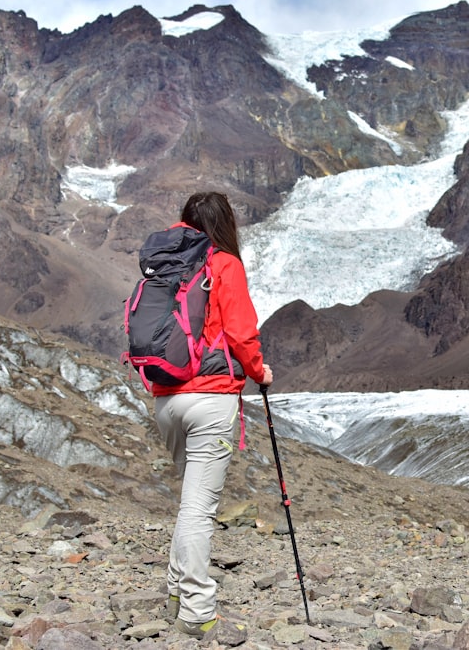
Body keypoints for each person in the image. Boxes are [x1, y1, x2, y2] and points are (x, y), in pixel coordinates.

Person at [151, 191, 273, 640]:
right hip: (211, 398)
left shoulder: (165, 265)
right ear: (226, 225)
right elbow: (241, 335)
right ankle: (198, 608)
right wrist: (260, 371)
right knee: (199, 509)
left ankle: (174, 590)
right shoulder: (224, 264)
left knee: (189, 501)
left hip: (166, 399)